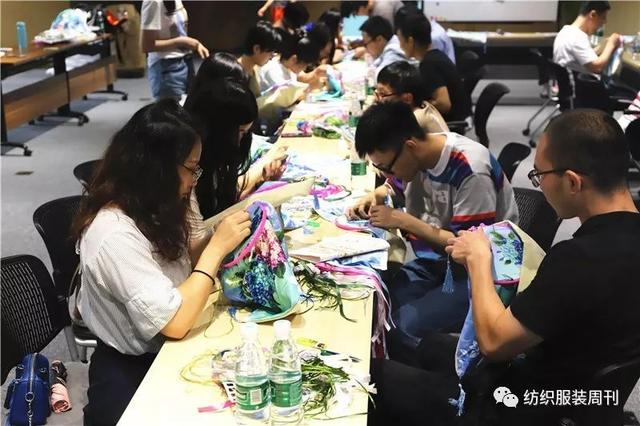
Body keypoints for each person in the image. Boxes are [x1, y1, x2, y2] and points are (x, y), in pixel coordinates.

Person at [370, 109, 640, 426]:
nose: (539, 185)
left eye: (539, 176)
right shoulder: (618, 240)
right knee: (429, 346)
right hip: (575, 390)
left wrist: (479, 259)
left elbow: (494, 343)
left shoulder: (577, 259)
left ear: (571, 182)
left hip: (527, 406)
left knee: (375, 378)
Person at [73, 100, 251, 426]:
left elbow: (191, 255)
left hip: (171, 344)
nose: (196, 178)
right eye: (191, 167)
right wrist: (217, 248)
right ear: (157, 167)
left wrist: (227, 238)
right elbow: (174, 322)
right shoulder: (112, 232)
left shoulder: (168, 195)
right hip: (133, 363)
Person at [348, 101, 518, 353]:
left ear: (410, 146)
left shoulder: (469, 168)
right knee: (375, 302)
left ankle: (429, 384)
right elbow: (396, 183)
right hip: (438, 261)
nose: (385, 173)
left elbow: (470, 247)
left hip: (480, 273)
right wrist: (377, 194)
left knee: (401, 324)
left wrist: (402, 220)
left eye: (385, 167)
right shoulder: (415, 157)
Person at [184, 79, 286, 249]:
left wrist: (262, 185)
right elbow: (196, 246)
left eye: (245, 133)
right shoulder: (192, 168)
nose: (240, 142)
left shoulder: (216, 161)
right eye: (239, 132)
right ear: (217, 129)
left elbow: (224, 196)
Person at [398, 13, 470, 121]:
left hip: (448, 124)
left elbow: (444, 104)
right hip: (455, 117)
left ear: (410, 41)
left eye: (401, 41)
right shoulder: (436, 55)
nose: (400, 46)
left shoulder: (429, 64)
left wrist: (415, 108)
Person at [141, 0, 209, 100]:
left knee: (189, 110)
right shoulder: (153, 2)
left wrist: (196, 44)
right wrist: (181, 42)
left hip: (185, 61)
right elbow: (146, 45)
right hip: (166, 67)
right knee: (171, 113)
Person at [376, 61, 448, 134]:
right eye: (376, 93)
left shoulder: (415, 121)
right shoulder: (421, 105)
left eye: (382, 94)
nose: (377, 99)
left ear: (407, 99)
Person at [553, 1, 621, 76]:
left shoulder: (566, 31)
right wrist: (611, 44)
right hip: (583, 86)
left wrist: (600, 48)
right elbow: (597, 67)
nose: (604, 22)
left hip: (571, 82)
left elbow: (582, 57)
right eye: (603, 18)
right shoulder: (577, 37)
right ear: (593, 15)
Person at [238, 21, 282, 97]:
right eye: (270, 53)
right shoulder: (235, 72)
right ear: (257, 49)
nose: (271, 57)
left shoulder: (255, 69)